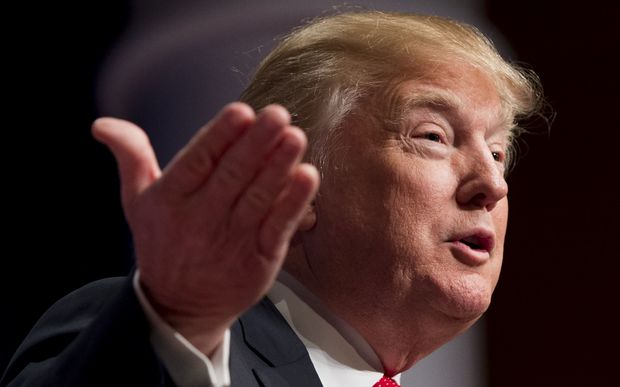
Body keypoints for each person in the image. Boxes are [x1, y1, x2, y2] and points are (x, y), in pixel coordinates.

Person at [1, 11, 542, 387]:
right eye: (433, 136)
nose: (492, 184)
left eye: (497, 153)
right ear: (292, 184)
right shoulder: (154, 336)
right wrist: (171, 318)